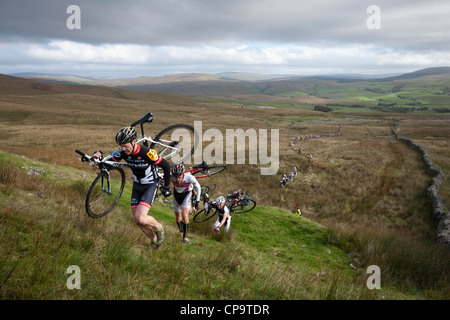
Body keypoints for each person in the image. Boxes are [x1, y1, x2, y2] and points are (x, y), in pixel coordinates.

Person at [92, 126, 171, 249]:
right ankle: (154, 240)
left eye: (125, 146)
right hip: (137, 186)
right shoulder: (123, 153)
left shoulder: (147, 152)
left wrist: (167, 186)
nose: (123, 149)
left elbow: (166, 165)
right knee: (137, 220)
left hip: (150, 185)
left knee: (140, 218)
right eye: (121, 146)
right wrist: (99, 154)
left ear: (134, 141)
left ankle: (159, 227)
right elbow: (109, 162)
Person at [170, 163, 201, 244]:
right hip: (176, 195)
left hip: (186, 195)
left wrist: (197, 201)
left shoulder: (189, 177)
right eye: (175, 177)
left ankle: (185, 238)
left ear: (183, 174)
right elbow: (160, 176)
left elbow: (198, 187)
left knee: (184, 214)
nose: (177, 179)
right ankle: (181, 230)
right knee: (177, 216)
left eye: (179, 177)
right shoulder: (171, 176)